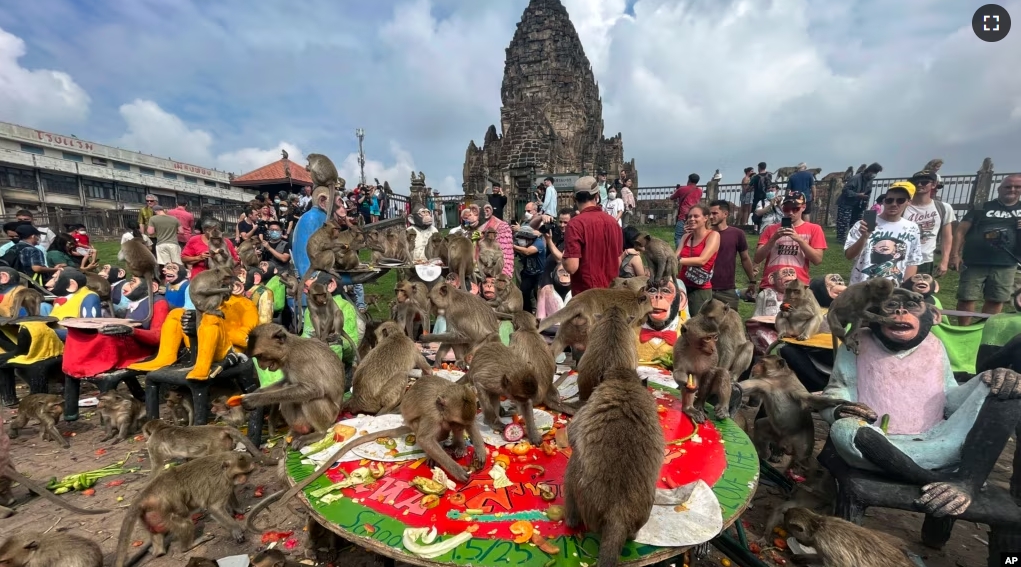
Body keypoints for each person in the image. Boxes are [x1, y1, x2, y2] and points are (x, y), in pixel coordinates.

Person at [950, 174, 1021, 325]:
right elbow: (960, 231)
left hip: (1007, 263)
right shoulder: (981, 207)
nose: (1012, 189)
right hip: (975, 261)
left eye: (1017, 187)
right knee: (967, 297)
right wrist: (955, 255)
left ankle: (983, 330)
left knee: (996, 299)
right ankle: (964, 330)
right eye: (1008, 186)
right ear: (999, 189)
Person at [844, 182, 923, 286]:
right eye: (889, 200)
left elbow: (912, 261)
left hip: (893, 290)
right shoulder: (863, 224)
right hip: (862, 288)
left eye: (900, 200)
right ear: (884, 202)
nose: (894, 204)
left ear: (909, 202)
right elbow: (849, 255)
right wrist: (864, 236)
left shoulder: (912, 228)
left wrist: (906, 288)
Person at [753, 191, 826, 294]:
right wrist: (773, 238)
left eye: (795, 208)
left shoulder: (814, 229)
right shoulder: (770, 229)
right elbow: (757, 258)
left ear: (803, 207)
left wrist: (799, 239)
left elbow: (817, 260)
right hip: (770, 285)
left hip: (798, 286)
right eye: (787, 208)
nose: (791, 212)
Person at [563, 176, 624, 295]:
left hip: (587, 298)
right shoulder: (613, 222)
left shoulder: (575, 224)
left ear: (574, 198)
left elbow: (571, 266)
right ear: (597, 196)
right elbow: (618, 261)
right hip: (611, 293)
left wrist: (563, 258)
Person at [904, 170, 954, 277]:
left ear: (934, 184)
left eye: (924, 182)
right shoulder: (903, 206)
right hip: (902, 258)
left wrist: (945, 261)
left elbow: (947, 236)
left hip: (926, 259)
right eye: (916, 182)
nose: (919, 185)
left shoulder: (943, 208)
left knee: (921, 292)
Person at [708, 200, 755, 309]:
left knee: (729, 323)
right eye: (709, 213)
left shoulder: (737, 234)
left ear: (725, 214)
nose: (711, 216)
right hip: (705, 288)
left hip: (727, 290)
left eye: (715, 213)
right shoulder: (705, 233)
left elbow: (745, 258)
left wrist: (752, 280)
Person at [676, 204, 720, 316]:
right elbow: (675, 256)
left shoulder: (713, 235)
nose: (692, 219)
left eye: (696, 216)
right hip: (681, 285)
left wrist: (678, 260)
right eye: (690, 216)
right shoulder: (686, 237)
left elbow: (702, 260)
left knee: (697, 325)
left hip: (700, 288)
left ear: (706, 218)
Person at [451, 204, 514, 277]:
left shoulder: (500, 227)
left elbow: (506, 260)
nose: (470, 214)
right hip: (476, 270)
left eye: (474, 211)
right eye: (470, 210)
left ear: (487, 212)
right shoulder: (470, 229)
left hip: (494, 271)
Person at [836, 162, 883, 242]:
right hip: (846, 203)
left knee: (856, 222)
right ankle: (841, 239)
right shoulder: (856, 178)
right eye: (874, 172)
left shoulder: (869, 180)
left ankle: (853, 238)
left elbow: (868, 193)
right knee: (844, 222)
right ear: (869, 171)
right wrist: (857, 195)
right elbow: (845, 190)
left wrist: (865, 203)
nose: (874, 175)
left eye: (876, 173)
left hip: (858, 204)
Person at [514, 226, 546, 314]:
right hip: (528, 273)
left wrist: (513, 246)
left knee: (538, 293)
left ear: (528, 238)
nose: (520, 240)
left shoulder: (538, 243)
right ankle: (527, 313)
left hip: (540, 274)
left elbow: (527, 251)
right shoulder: (519, 244)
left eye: (522, 238)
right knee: (524, 292)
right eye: (519, 238)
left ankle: (541, 313)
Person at [540, 208, 573, 287]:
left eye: (566, 222)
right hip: (548, 277)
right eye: (560, 222)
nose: (562, 225)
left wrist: (549, 240)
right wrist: (541, 217)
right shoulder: (557, 232)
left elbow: (560, 259)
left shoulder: (572, 239)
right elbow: (533, 226)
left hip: (560, 282)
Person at [669, 174, 702, 248]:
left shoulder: (682, 189)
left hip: (683, 216)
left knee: (679, 237)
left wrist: (677, 190)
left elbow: (672, 197)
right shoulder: (699, 191)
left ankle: (680, 254)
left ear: (689, 180)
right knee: (692, 236)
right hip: (695, 216)